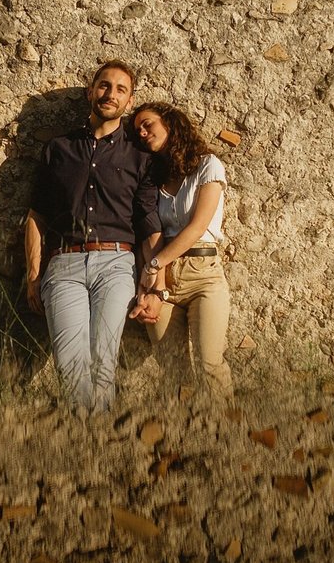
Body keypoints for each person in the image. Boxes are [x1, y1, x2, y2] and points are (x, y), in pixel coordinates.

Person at [23, 60, 163, 412]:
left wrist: (157, 283)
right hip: (64, 265)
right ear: (91, 91)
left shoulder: (139, 157)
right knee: (70, 365)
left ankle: (98, 446)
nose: (110, 94)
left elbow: (148, 221)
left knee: (103, 360)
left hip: (116, 265)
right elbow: (36, 215)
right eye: (104, 85)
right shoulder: (59, 149)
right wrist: (33, 273)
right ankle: (82, 441)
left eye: (120, 89)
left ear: (128, 102)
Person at [127, 102, 234, 399]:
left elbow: (197, 227)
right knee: (172, 368)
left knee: (209, 364)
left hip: (204, 276)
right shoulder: (153, 178)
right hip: (164, 281)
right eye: (138, 130)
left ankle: (225, 436)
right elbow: (149, 231)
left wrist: (154, 265)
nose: (143, 132)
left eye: (148, 124)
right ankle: (184, 434)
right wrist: (151, 278)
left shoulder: (207, 164)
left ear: (170, 123)